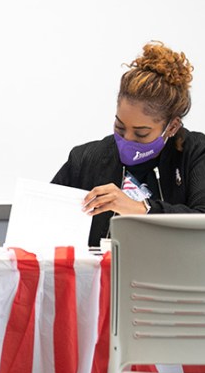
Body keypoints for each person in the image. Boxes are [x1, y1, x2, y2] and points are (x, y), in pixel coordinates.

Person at [52, 41, 205, 247]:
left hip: (178, 276)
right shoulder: (86, 159)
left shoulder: (196, 153)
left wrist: (140, 208)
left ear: (172, 127)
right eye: (120, 127)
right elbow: (44, 219)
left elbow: (200, 220)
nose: (127, 140)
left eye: (141, 134)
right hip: (103, 277)